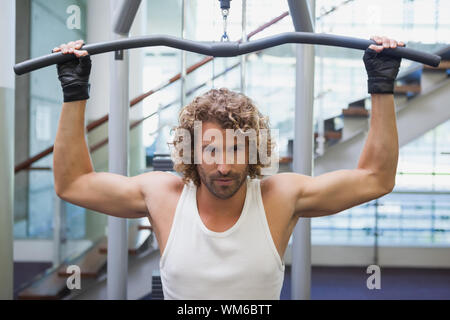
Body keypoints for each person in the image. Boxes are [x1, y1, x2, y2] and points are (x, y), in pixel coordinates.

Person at [52, 36, 404, 299]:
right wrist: (74, 92)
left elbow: (376, 179)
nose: (223, 165)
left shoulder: (281, 196)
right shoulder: (162, 195)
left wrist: (381, 87)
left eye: (236, 149)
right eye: (210, 150)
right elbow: (74, 183)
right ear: (190, 152)